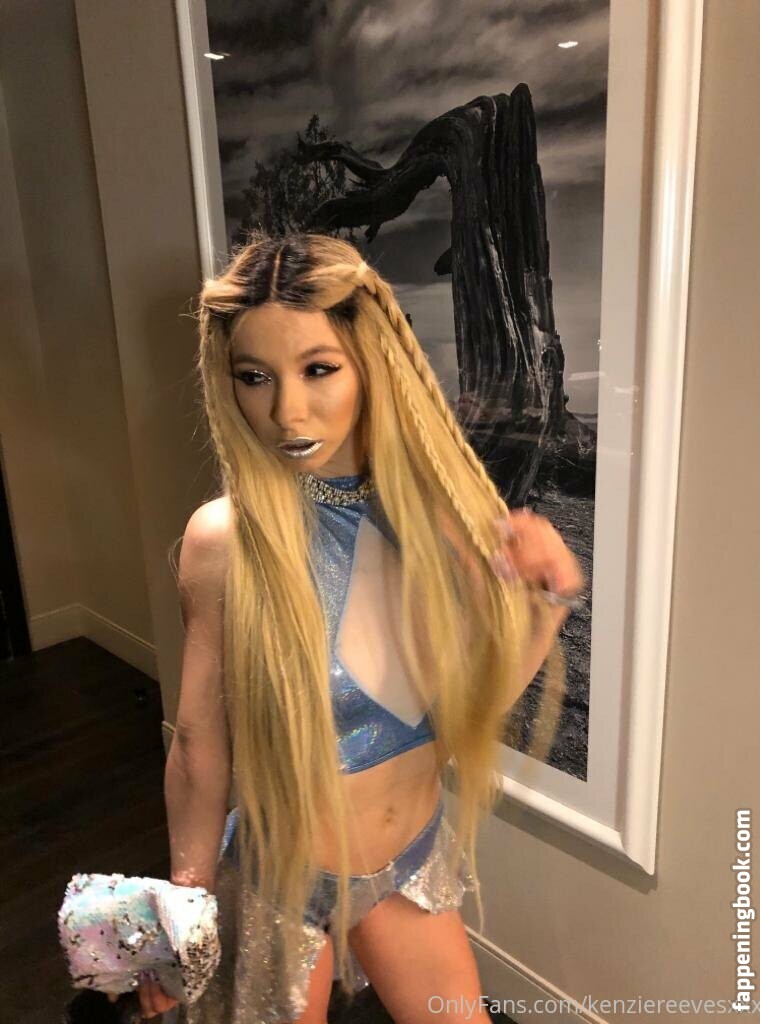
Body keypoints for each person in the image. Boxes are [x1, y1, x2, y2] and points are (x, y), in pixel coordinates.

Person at [134, 232, 584, 1022]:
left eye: (318, 369)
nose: (286, 411)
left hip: (410, 863)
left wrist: (544, 606)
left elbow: (469, 707)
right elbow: (201, 744)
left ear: (370, 362)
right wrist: (185, 907)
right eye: (254, 377)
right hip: (279, 884)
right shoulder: (227, 543)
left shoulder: (444, 521)